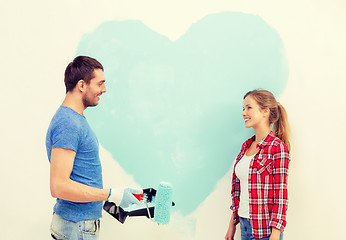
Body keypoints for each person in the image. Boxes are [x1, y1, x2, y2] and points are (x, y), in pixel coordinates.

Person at [46, 56, 142, 240]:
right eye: (100, 84)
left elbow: (80, 178)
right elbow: (58, 186)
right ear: (82, 85)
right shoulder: (68, 123)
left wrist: (111, 198)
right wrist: (111, 194)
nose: (104, 90)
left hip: (77, 226)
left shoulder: (73, 120)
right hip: (76, 228)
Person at [225, 90, 290, 240]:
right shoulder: (245, 147)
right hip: (244, 225)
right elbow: (238, 192)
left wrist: (275, 235)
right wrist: (232, 226)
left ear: (265, 111)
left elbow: (281, 196)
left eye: (249, 108)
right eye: (243, 109)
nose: (243, 113)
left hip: (265, 231)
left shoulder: (277, 147)